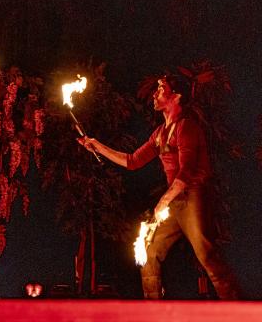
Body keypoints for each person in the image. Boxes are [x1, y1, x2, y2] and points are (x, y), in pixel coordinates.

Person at [78, 74, 240, 299]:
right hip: (173, 202)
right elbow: (132, 161)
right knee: (149, 249)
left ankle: (240, 309)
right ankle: (153, 310)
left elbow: (187, 172)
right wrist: (96, 146)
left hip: (192, 197)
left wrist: (163, 202)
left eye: (161, 89)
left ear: (177, 96)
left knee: (205, 253)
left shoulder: (187, 127)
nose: (155, 93)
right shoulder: (160, 134)